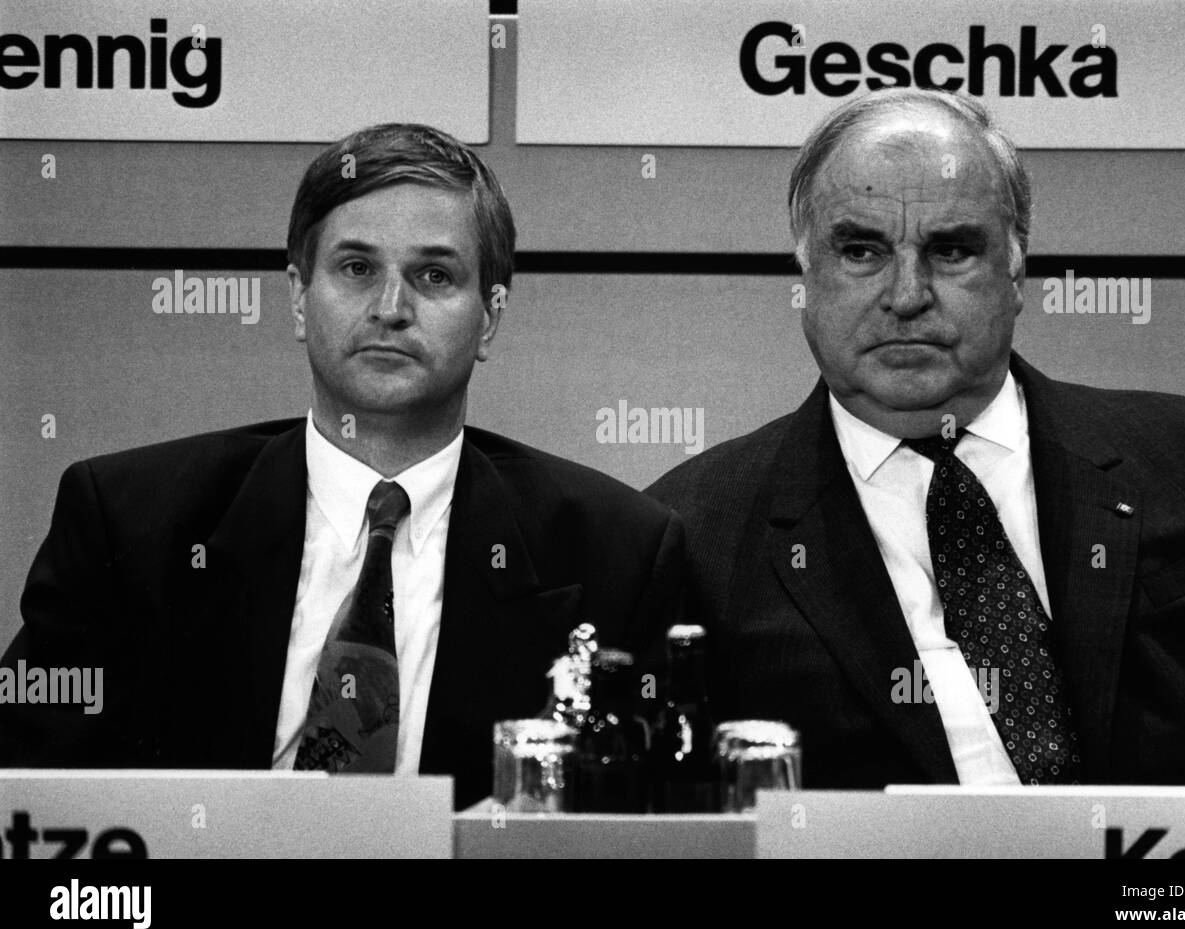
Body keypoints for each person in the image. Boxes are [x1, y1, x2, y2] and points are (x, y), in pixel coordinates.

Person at [0, 123, 683, 809]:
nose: (391, 309)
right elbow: (31, 804)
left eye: (434, 275)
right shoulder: (128, 524)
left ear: (490, 318)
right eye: (357, 268)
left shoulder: (614, 554)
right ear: (298, 296)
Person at [648, 88, 1185, 788]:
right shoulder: (689, 538)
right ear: (806, 274)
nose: (906, 295)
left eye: (951, 249)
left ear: (1017, 269)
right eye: (861, 250)